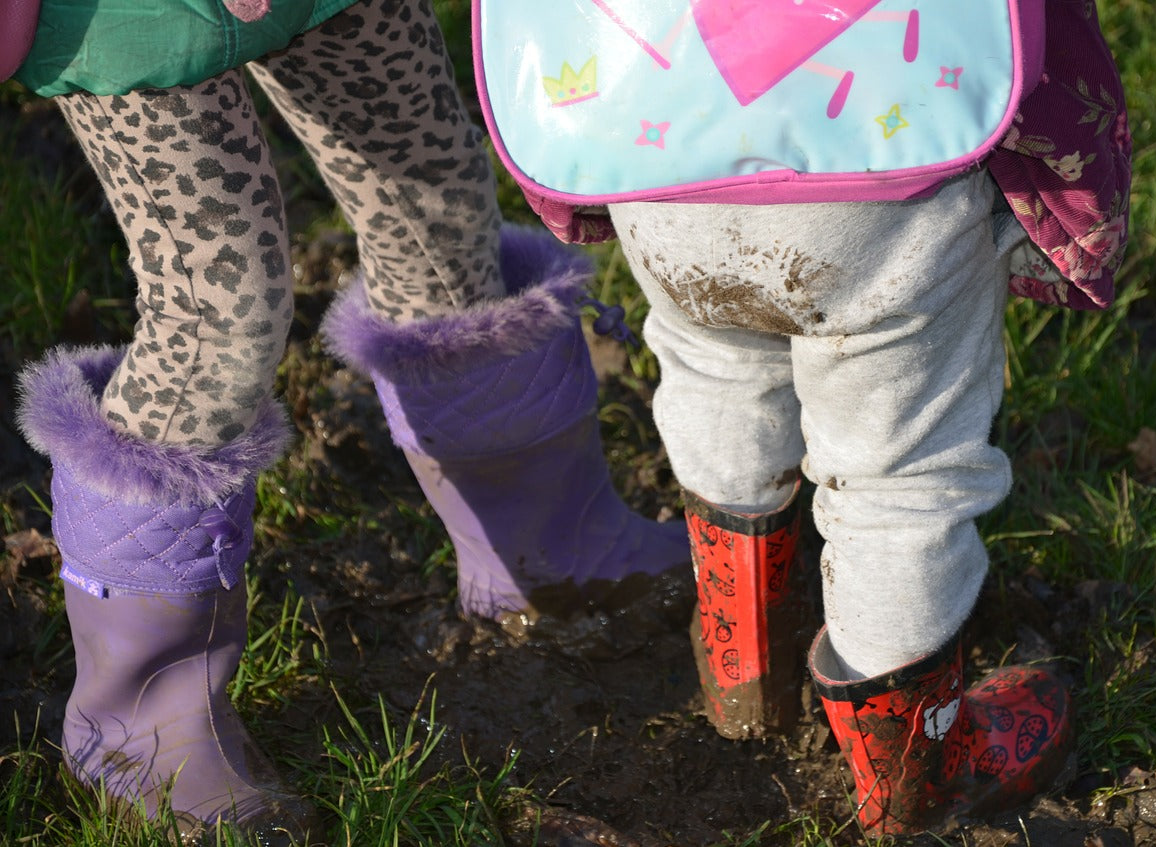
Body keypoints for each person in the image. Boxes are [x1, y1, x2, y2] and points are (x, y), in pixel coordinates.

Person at [9, 0, 689, 842]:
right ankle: (143, 720)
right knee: (221, 310)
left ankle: (550, 553)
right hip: (130, 19)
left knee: (434, 198)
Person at [476, 0, 1131, 835]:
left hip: (652, 117)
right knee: (898, 468)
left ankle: (744, 668)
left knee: (716, 361)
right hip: (886, 136)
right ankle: (913, 780)